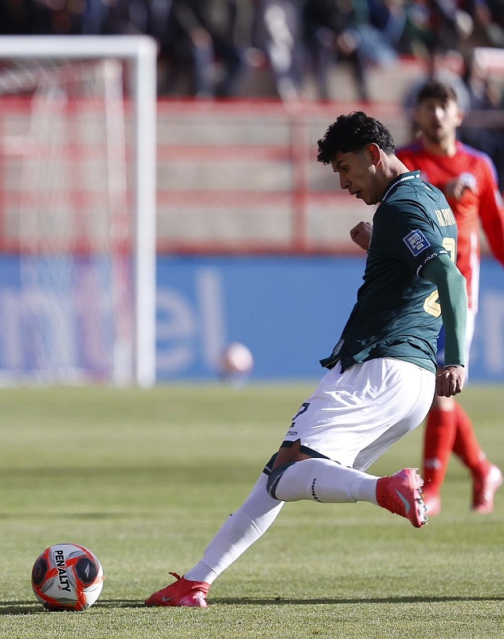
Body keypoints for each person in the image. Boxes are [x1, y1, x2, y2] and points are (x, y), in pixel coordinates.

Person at [146, 111, 468, 608]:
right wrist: (377, 248)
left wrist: (459, 358)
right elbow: (422, 274)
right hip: (412, 382)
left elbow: (450, 277)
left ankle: (387, 489)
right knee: (280, 471)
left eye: (345, 168)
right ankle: (196, 582)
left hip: (379, 367)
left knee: (288, 473)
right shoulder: (431, 199)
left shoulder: (401, 208)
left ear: (374, 155)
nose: (342, 182)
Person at [396, 79, 504, 516]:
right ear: (417, 114)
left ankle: (432, 488)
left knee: (439, 389)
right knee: (425, 389)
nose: (437, 114)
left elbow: (496, 229)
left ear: (459, 114)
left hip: (457, 292)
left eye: (444, 105)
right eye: (428, 106)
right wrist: (441, 195)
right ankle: (482, 469)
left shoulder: (478, 166)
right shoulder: (404, 161)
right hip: (409, 290)